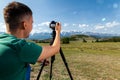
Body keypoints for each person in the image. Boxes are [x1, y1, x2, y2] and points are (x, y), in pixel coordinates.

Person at [0, 1, 61, 80]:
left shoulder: (2, 40)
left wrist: (33, 57)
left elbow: (10, 57)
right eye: (32, 23)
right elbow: (55, 48)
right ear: (24, 25)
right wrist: (58, 32)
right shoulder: (21, 47)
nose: (32, 25)